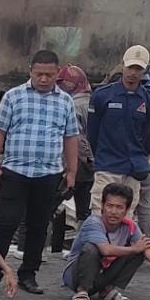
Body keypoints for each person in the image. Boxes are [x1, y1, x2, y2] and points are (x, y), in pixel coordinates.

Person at [0, 50, 80, 297]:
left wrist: (72, 171)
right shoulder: (14, 96)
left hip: (48, 173)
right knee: (6, 223)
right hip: (15, 171)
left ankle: (28, 274)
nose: (44, 79)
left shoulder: (65, 101)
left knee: (38, 226)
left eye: (49, 74)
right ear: (30, 72)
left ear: (57, 73)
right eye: (39, 74)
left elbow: (70, 137)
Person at [87, 46, 150, 237]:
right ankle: (96, 251)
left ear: (145, 71)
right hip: (108, 165)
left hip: (135, 168)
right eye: (130, 67)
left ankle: (119, 257)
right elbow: (92, 132)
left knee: (127, 215)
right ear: (123, 66)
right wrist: (100, 157)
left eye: (138, 69)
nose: (133, 73)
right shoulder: (102, 96)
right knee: (99, 212)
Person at [65, 182, 150, 300]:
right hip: (76, 276)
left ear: (126, 210)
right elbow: (106, 250)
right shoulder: (93, 223)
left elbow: (149, 249)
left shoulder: (130, 226)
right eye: (110, 206)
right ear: (102, 206)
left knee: (140, 250)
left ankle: (107, 290)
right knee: (91, 248)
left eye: (119, 207)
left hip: (100, 276)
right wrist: (133, 248)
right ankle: (82, 291)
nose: (113, 212)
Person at [57, 64, 94, 222]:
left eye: (62, 83)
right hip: (89, 164)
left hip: (77, 162)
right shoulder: (91, 102)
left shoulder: (73, 104)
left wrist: (85, 158)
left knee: (51, 202)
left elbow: (77, 138)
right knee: (84, 209)